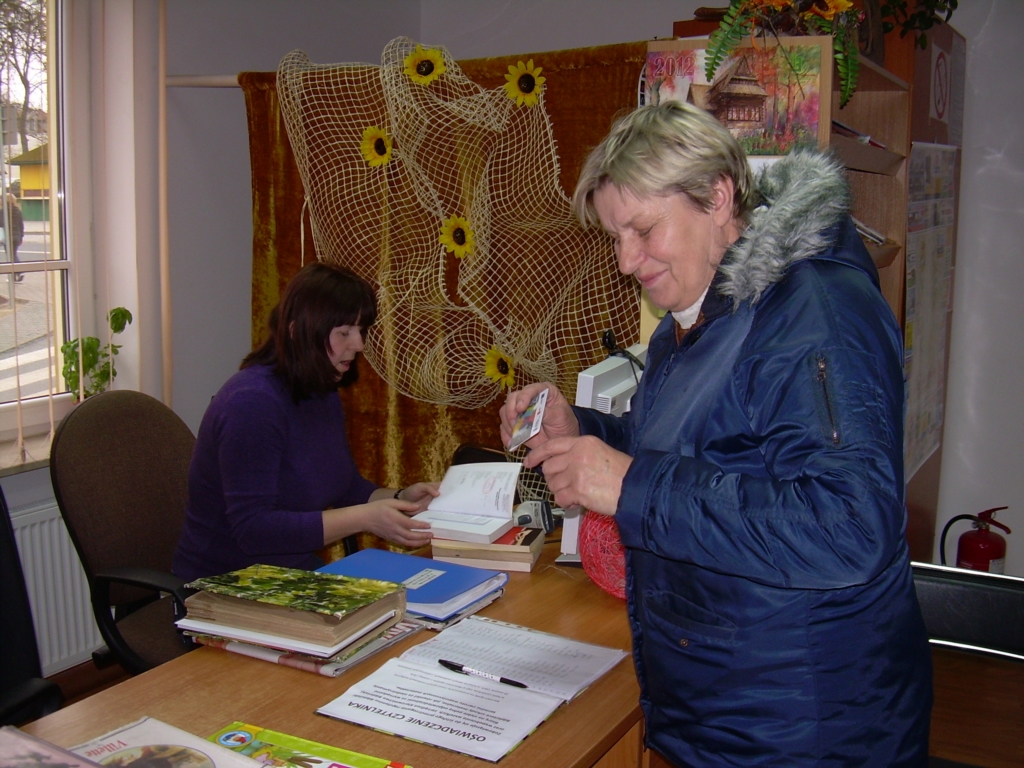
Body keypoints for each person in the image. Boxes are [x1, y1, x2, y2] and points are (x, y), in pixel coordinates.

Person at [501, 102, 932, 766]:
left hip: (809, 729)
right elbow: (703, 446)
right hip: (729, 711)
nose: (625, 261)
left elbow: (850, 526)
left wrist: (632, 486)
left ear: (717, 196)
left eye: (642, 230)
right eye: (616, 238)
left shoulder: (815, 310)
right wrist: (580, 426)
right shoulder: (702, 313)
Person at [174, 262, 437, 582]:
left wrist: (400, 499)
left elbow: (345, 487)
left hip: (286, 576)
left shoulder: (320, 390)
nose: (359, 345)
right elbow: (253, 531)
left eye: (360, 330)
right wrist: (366, 518)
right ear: (299, 330)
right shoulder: (250, 404)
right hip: (223, 586)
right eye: (344, 332)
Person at [1, 194, 25, 281]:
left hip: (8, 236)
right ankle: (14, 276)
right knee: (13, 254)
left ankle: (19, 272)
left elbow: (1, 224)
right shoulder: (18, 211)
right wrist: (21, 237)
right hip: (17, 236)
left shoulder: (3, 211)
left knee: (11, 256)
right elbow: (21, 225)